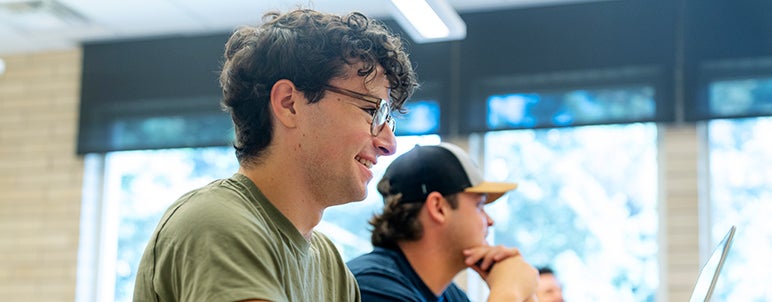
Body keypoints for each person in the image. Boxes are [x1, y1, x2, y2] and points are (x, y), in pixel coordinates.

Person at [133, 8, 418, 302]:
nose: (389, 144)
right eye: (371, 111)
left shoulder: (330, 265)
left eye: (388, 119)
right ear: (289, 103)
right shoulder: (216, 223)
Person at [347, 143, 539, 302]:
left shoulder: (451, 295)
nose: (490, 221)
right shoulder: (371, 287)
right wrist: (509, 292)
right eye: (479, 205)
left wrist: (526, 293)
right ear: (438, 208)